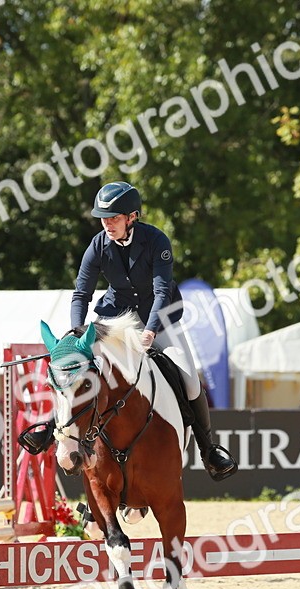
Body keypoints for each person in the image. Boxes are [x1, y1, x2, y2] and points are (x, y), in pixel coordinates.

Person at [68, 181, 236, 481]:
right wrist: (76, 331)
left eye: (114, 218)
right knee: (80, 370)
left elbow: (161, 292)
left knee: (190, 379)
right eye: (104, 218)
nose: (108, 224)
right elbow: (81, 293)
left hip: (160, 318)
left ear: (132, 216)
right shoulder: (97, 245)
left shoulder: (156, 241)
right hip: (115, 319)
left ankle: (209, 450)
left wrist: (150, 330)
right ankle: (69, 438)